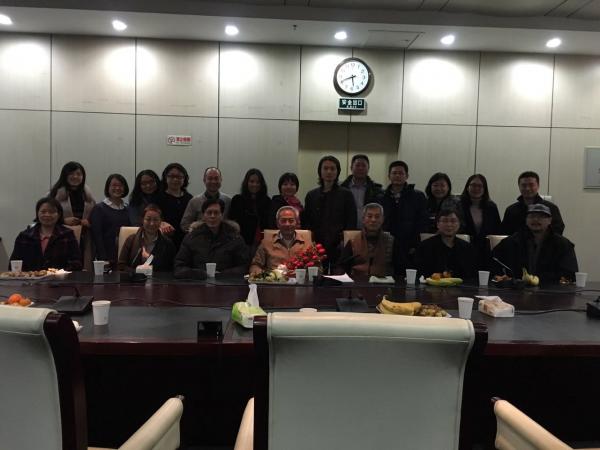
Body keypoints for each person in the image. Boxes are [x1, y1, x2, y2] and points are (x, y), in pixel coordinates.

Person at [493, 204, 577, 284]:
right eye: (531, 216)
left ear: (550, 220)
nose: (536, 219)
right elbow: (494, 262)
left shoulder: (563, 245)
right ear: (526, 220)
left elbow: (570, 274)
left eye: (541, 216)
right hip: (516, 290)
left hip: (551, 290)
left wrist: (540, 280)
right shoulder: (511, 241)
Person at [174, 199, 249, 279]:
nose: (212, 216)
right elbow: (179, 267)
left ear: (222, 215)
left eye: (216, 213)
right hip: (198, 283)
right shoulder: (191, 237)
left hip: (226, 283)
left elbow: (244, 267)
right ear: (203, 215)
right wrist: (201, 274)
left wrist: (221, 274)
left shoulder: (235, 238)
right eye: (209, 212)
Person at [304, 155, 357, 269]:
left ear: (337, 172)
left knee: (338, 275)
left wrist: (345, 241)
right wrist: (310, 241)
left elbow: (351, 220)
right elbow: (307, 221)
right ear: (320, 171)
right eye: (325, 168)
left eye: (332, 169)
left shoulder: (346, 194)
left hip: (339, 245)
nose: (329, 172)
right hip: (316, 245)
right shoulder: (311, 195)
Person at [379, 161, 428, 273]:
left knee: (406, 276)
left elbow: (422, 222)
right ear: (389, 176)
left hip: (409, 245)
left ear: (407, 176)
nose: (397, 176)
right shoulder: (380, 196)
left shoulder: (418, 196)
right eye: (394, 173)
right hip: (385, 242)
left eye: (401, 173)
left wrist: (415, 244)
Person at [10, 197, 82, 271]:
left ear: (59, 214)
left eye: (52, 212)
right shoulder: (24, 236)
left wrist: (59, 273)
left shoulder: (67, 235)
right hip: (30, 277)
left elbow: (76, 263)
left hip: (60, 277)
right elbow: (14, 264)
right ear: (37, 213)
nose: (47, 215)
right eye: (43, 212)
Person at [414, 209, 477, 280]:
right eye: (444, 221)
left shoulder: (468, 248)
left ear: (459, 224)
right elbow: (420, 274)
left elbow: (472, 276)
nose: (449, 225)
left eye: (453, 221)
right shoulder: (424, 247)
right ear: (438, 224)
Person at [250, 206, 312, 275]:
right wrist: (257, 272)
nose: (287, 224)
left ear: (297, 223)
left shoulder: (307, 243)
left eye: (291, 221)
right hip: (275, 280)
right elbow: (256, 264)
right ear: (277, 223)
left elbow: (316, 266)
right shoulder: (266, 242)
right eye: (283, 221)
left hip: (299, 280)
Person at [337, 203, 395, 277]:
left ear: (383, 219)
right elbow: (341, 266)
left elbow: (401, 269)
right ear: (363, 219)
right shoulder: (353, 241)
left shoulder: (390, 241)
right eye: (369, 216)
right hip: (358, 281)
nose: (373, 220)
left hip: (384, 282)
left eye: (377, 217)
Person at [501, 171, 565, 235]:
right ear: (519, 186)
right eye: (524, 185)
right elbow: (504, 233)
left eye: (531, 185)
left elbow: (558, 230)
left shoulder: (550, 208)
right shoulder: (511, 210)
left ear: (538, 186)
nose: (527, 188)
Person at [118, 204, 176, 272]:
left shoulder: (168, 244)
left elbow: (170, 269)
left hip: (157, 278)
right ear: (142, 220)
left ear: (161, 221)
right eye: (148, 219)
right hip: (133, 278)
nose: (152, 223)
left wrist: (151, 260)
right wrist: (138, 271)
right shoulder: (131, 240)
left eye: (156, 220)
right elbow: (121, 266)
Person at [460, 174, 501, 269]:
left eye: (480, 186)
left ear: (484, 189)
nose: (476, 188)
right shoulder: (459, 205)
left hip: (486, 252)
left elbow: (497, 230)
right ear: (467, 187)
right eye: (473, 185)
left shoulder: (491, 207)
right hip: (463, 250)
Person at [89, 174, 131, 269]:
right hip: (106, 256)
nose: (117, 188)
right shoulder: (99, 208)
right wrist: (103, 258)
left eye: (120, 185)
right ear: (108, 188)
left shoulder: (128, 208)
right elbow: (97, 236)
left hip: (124, 255)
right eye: (114, 185)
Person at [229, 168, 271, 250]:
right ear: (246, 183)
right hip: (241, 243)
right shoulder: (237, 200)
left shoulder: (267, 201)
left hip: (263, 243)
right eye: (252, 181)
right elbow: (232, 223)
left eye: (258, 182)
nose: (255, 184)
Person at [180, 167, 231, 232]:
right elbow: (184, 225)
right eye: (210, 178)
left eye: (216, 178)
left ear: (221, 180)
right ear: (204, 180)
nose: (213, 181)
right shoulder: (194, 201)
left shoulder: (228, 200)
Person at [340, 154, 384, 226]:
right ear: (351, 168)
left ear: (368, 168)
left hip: (369, 229)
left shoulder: (376, 190)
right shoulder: (342, 188)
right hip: (346, 229)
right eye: (357, 165)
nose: (360, 168)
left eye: (363, 166)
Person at [157, 163, 193, 250]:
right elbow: (152, 217)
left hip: (186, 242)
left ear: (184, 179)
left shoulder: (190, 198)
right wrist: (161, 223)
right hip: (164, 241)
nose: (175, 179)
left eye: (179, 177)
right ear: (165, 178)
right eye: (172, 176)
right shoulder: (158, 197)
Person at [49, 161, 96, 228]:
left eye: (79, 174)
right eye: (71, 174)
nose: (75, 176)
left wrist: (88, 221)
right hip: (60, 232)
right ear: (64, 175)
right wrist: (63, 221)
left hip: (84, 232)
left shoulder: (89, 196)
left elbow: (95, 217)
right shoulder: (54, 194)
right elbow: (45, 216)